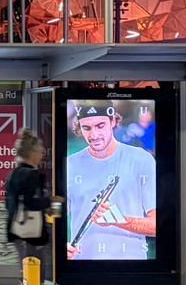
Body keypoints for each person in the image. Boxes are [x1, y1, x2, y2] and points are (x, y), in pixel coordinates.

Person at [66, 103, 157, 260]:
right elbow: (54, 220)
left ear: (113, 121)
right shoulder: (70, 164)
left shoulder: (142, 159)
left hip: (132, 268)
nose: (94, 135)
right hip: (81, 267)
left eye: (100, 126)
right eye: (86, 128)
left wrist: (119, 220)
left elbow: (157, 226)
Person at [4, 130, 60, 285]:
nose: (42, 154)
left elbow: (12, 203)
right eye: (40, 151)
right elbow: (30, 202)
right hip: (29, 232)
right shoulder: (30, 174)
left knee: (28, 271)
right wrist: (50, 200)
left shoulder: (15, 173)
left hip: (17, 228)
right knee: (34, 271)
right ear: (32, 153)